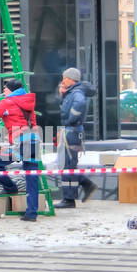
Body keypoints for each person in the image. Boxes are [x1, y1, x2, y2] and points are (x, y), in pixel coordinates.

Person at [0, 79, 41, 221]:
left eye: (6, 89)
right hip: (34, 141)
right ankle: (31, 213)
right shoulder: (28, 102)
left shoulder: (9, 103)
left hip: (21, 143)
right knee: (32, 177)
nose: (4, 91)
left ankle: (11, 188)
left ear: (12, 90)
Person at [57, 67, 97, 207]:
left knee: (67, 165)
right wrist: (62, 96)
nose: (63, 81)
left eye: (65, 78)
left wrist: (70, 120)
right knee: (67, 164)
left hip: (72, 131)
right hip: (70, 130)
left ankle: (69, 199)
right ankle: (84, 186)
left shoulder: (77, 93)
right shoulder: (71, 92)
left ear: (72, 79)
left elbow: (79, 105)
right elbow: (66, 108)